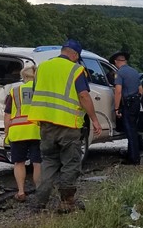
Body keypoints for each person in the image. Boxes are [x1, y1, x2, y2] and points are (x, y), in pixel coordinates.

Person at [27, 39, 102, 213]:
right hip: (68, 124)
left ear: (62, 51)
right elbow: (83, 96)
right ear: (75, 55)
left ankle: (39, 201)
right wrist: (94, 119)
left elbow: (38, 91)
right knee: (70, 163)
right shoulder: (76, 70)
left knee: (49, 162)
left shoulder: (42, 67)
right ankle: (67, 203)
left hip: (45, 123)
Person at [3, 65, 41, 201]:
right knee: (37, 162)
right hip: (37, 131)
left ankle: (21, 192)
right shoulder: (41, 90)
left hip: (18, 131)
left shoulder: (15, 91)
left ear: (24, 77)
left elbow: (7, 115)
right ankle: (39, 192)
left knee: (19, 162)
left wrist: (6, 132)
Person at [111, 50, 143, 165]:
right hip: (135, 103)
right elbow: (141, 90)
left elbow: (118, 91)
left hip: (127, 104)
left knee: (130, 131)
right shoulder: (134, 72)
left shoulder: (120, 73)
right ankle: (132, 155)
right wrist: (137, 99)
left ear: (116, 61)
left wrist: (116, 108)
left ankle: (134, 159)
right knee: (133, 129)